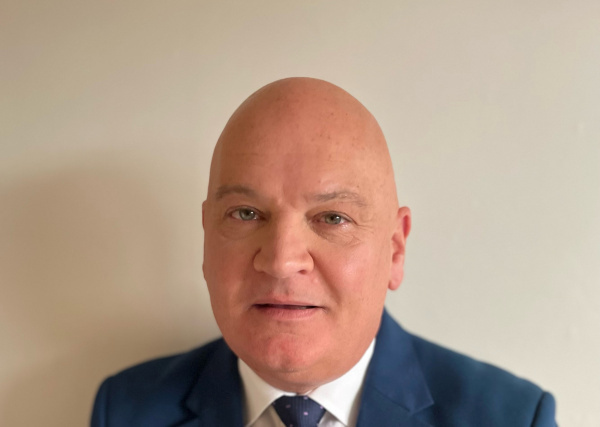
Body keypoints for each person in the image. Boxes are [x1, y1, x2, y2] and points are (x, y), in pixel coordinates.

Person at [91, 78, 557, 426]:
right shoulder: (127, 411)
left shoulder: (513, 418)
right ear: (207, 237)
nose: (281, 261)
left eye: (332, 218)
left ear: (395, 250)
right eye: (246, 214)